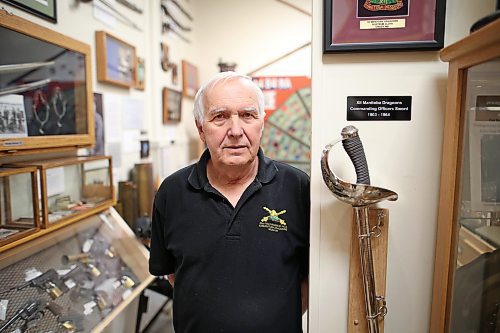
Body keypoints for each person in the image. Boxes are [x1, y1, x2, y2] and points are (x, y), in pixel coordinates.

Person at [149, 71, 310, 333]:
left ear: (262, 123)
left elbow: (309, 276)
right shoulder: (172, 192)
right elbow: (174, 276)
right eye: (220, 117)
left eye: (247, 115)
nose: (235, 131)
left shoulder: (297, 188)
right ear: (201, 128)